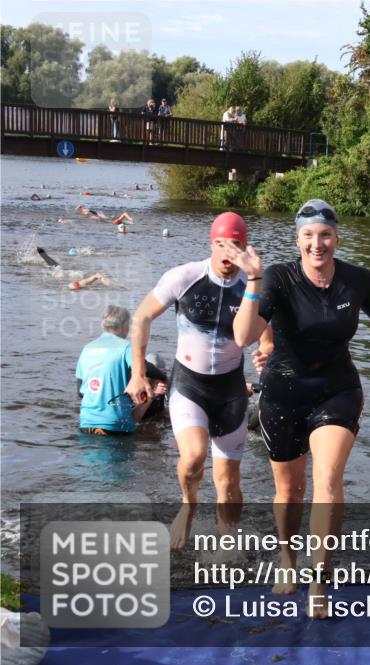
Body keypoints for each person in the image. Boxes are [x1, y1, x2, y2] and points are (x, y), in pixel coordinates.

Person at [226, 199, 370, 617]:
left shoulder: (356, 280)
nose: (317, 244)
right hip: (283, 393)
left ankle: (319, 581)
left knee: (328, 478)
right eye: (308, 236)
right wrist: (253, 279)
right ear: (298, 240)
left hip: (337, 390)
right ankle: (288, 557)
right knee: (290, 492)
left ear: (336, 237)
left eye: (324, 235)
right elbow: (243, 336)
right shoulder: (277, 278)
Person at [126, 212, 268, 548]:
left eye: (236, 246)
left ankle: (227, 545)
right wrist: (138, 372)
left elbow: (268, 337)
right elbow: (142, 315)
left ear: (246, 249)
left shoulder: (253, 287)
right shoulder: (185, 276)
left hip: (231, 391)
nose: (227, 254)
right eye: (221, 244)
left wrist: (267, 354)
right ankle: (188, 506)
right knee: (193, 457)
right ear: (211, 243)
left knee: (227, 483)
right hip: (190, 386)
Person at [76, 305, 168, 435]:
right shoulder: (126, 347)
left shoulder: (87, 349)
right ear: (125, 325)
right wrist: (164, 378)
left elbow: (80, 391)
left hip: (86, 424)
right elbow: (145, 367)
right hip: (115, 426)